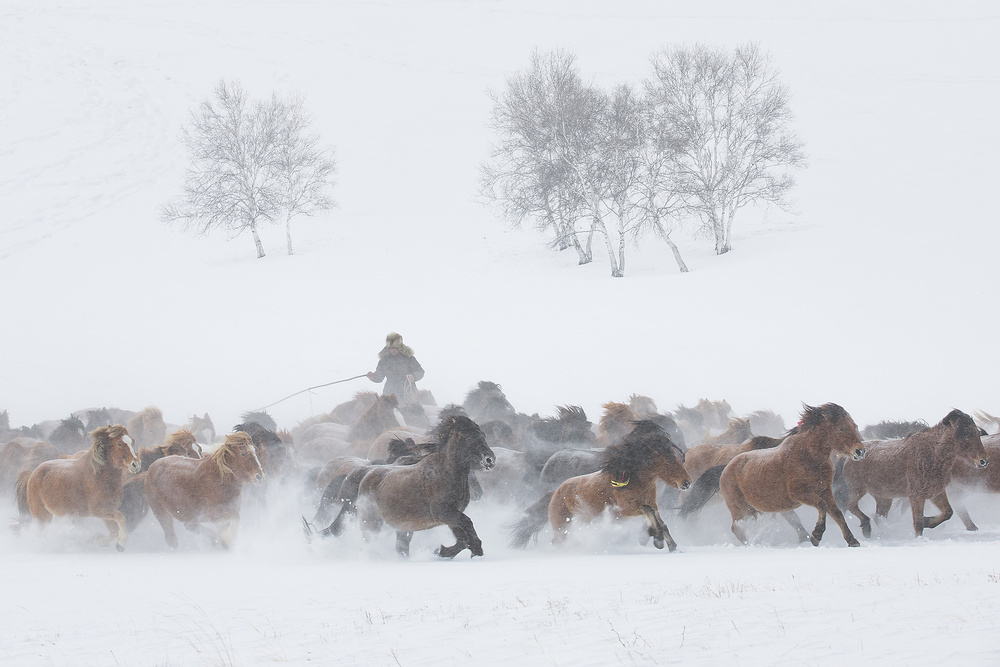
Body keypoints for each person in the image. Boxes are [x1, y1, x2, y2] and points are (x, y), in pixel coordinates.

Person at [366, 332, 425, 404]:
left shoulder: (409, 358)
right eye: (391, 348)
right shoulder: (384, 360)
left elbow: (420, 371)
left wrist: (413, 376)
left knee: (413, 410)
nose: (393, 350)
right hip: (390, 394)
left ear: (400, 347)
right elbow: (379, 377)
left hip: (408, 393)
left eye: (396, 348)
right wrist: (373, 377)